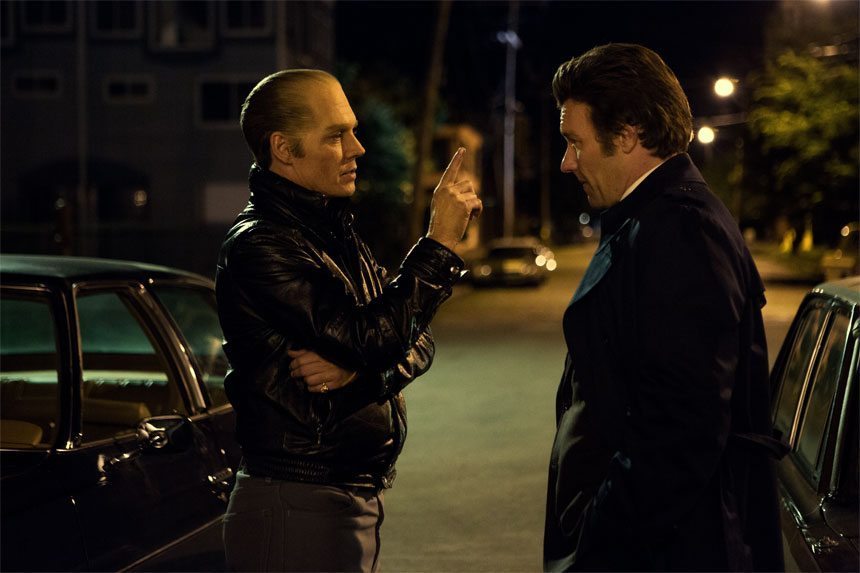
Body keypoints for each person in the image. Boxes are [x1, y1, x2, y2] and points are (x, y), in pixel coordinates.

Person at [216, 69, 481, 573]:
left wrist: (361, 372)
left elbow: (413, 336)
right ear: (284, 148)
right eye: (337, 135)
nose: (357, 148)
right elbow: (377, 336)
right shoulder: (261, 244)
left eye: (353, 131)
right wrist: (440, 243)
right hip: (297, 498)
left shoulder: (333, 233)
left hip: (336, 496)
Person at [543, 44, 786, 572]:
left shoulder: (682, 231)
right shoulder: (654, 218)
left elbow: (678, 432)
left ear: (628, 133)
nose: (567, 163)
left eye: (575, 142)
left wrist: (599, 542)